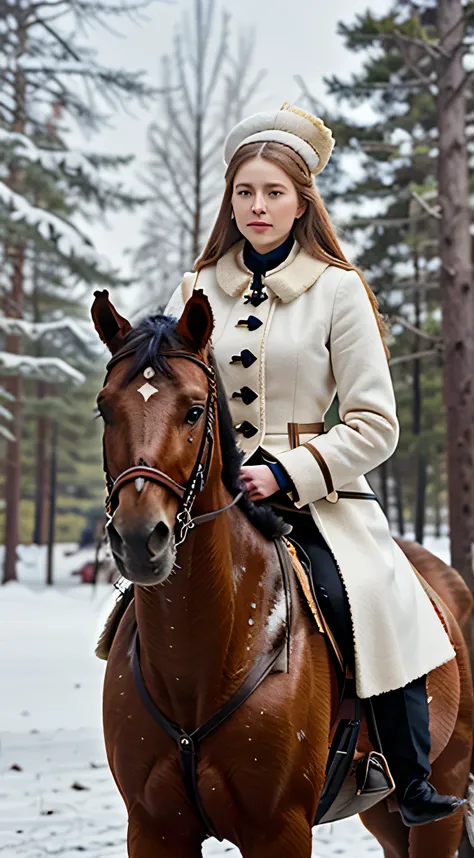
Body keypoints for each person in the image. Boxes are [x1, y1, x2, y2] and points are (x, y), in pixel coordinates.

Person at [164, 102, 465, 826]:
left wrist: (288, 472)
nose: (257, 206)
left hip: (320, 495)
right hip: (212, 497)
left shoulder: (339, 289)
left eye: (273, 192)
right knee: (144, 610)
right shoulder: (194, 287)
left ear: (302, 202)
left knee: (365, 595)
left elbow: (375, 424)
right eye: (244, 192)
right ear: (229, 201)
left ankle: (407, 771)